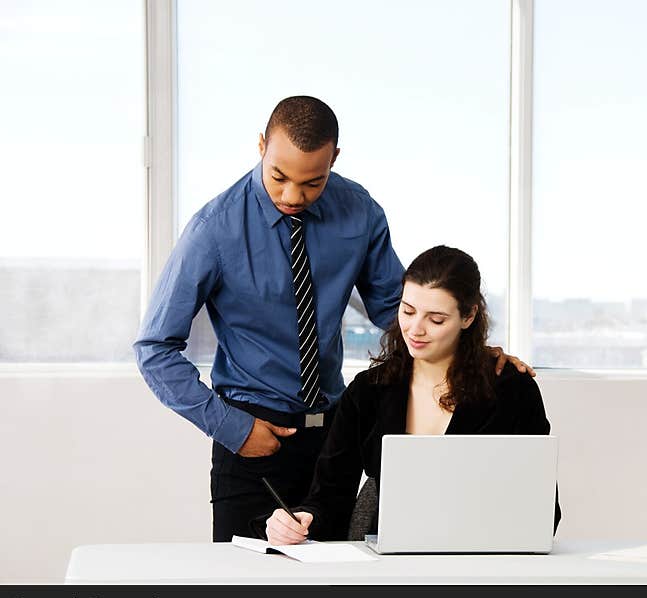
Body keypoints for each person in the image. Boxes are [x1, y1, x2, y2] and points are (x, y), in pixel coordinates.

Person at [133, 96, 532, 542]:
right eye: (278, 177)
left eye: (312, 183)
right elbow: (154, 348)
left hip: (334, 436)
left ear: (334, 159)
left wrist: (469, 347)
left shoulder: (358, 211)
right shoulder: (214, 229)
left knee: (337, 590)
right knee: (248, 590)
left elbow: (395, 311)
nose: (291, 197)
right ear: (261, 145)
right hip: (251, 439)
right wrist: (233, 427)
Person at [264, 245, 561, 545]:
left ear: (469, 316)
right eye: (407, 311)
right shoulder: (368, 391)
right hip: (390, 560)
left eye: (436, 319)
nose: (414, 329)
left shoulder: (512, 388)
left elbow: (545, 511)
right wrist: (302, 519)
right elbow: (327, 495)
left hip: (485, 556)